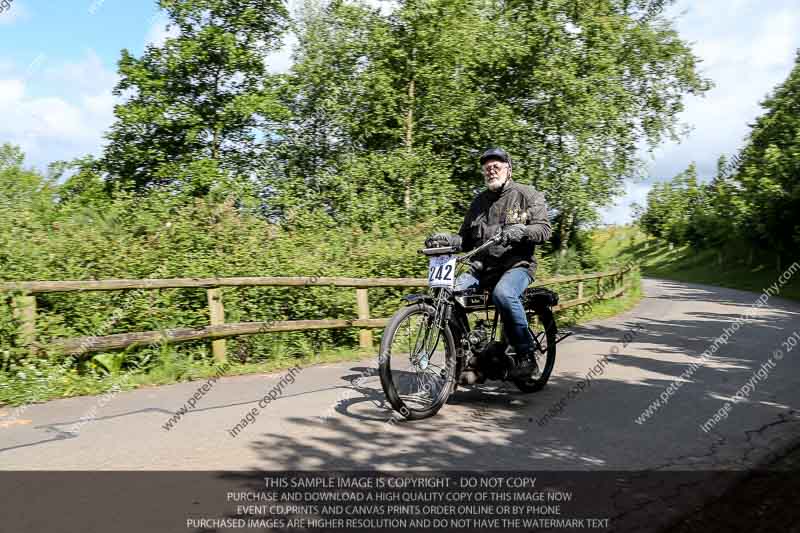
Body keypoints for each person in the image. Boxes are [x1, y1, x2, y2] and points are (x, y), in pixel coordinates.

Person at [425, 147, 551, 379]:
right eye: (487, 169)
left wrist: (520, 231)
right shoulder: (479, 202)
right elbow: (465, 239)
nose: (491, 171)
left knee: (503, 295)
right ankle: (464, 357)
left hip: (517, 266)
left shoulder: (526, 194)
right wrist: (447, 239)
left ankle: (526, 356)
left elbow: (544, 229)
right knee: (448, 295)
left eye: (496, 167)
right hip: (481, 269)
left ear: (508, 169)